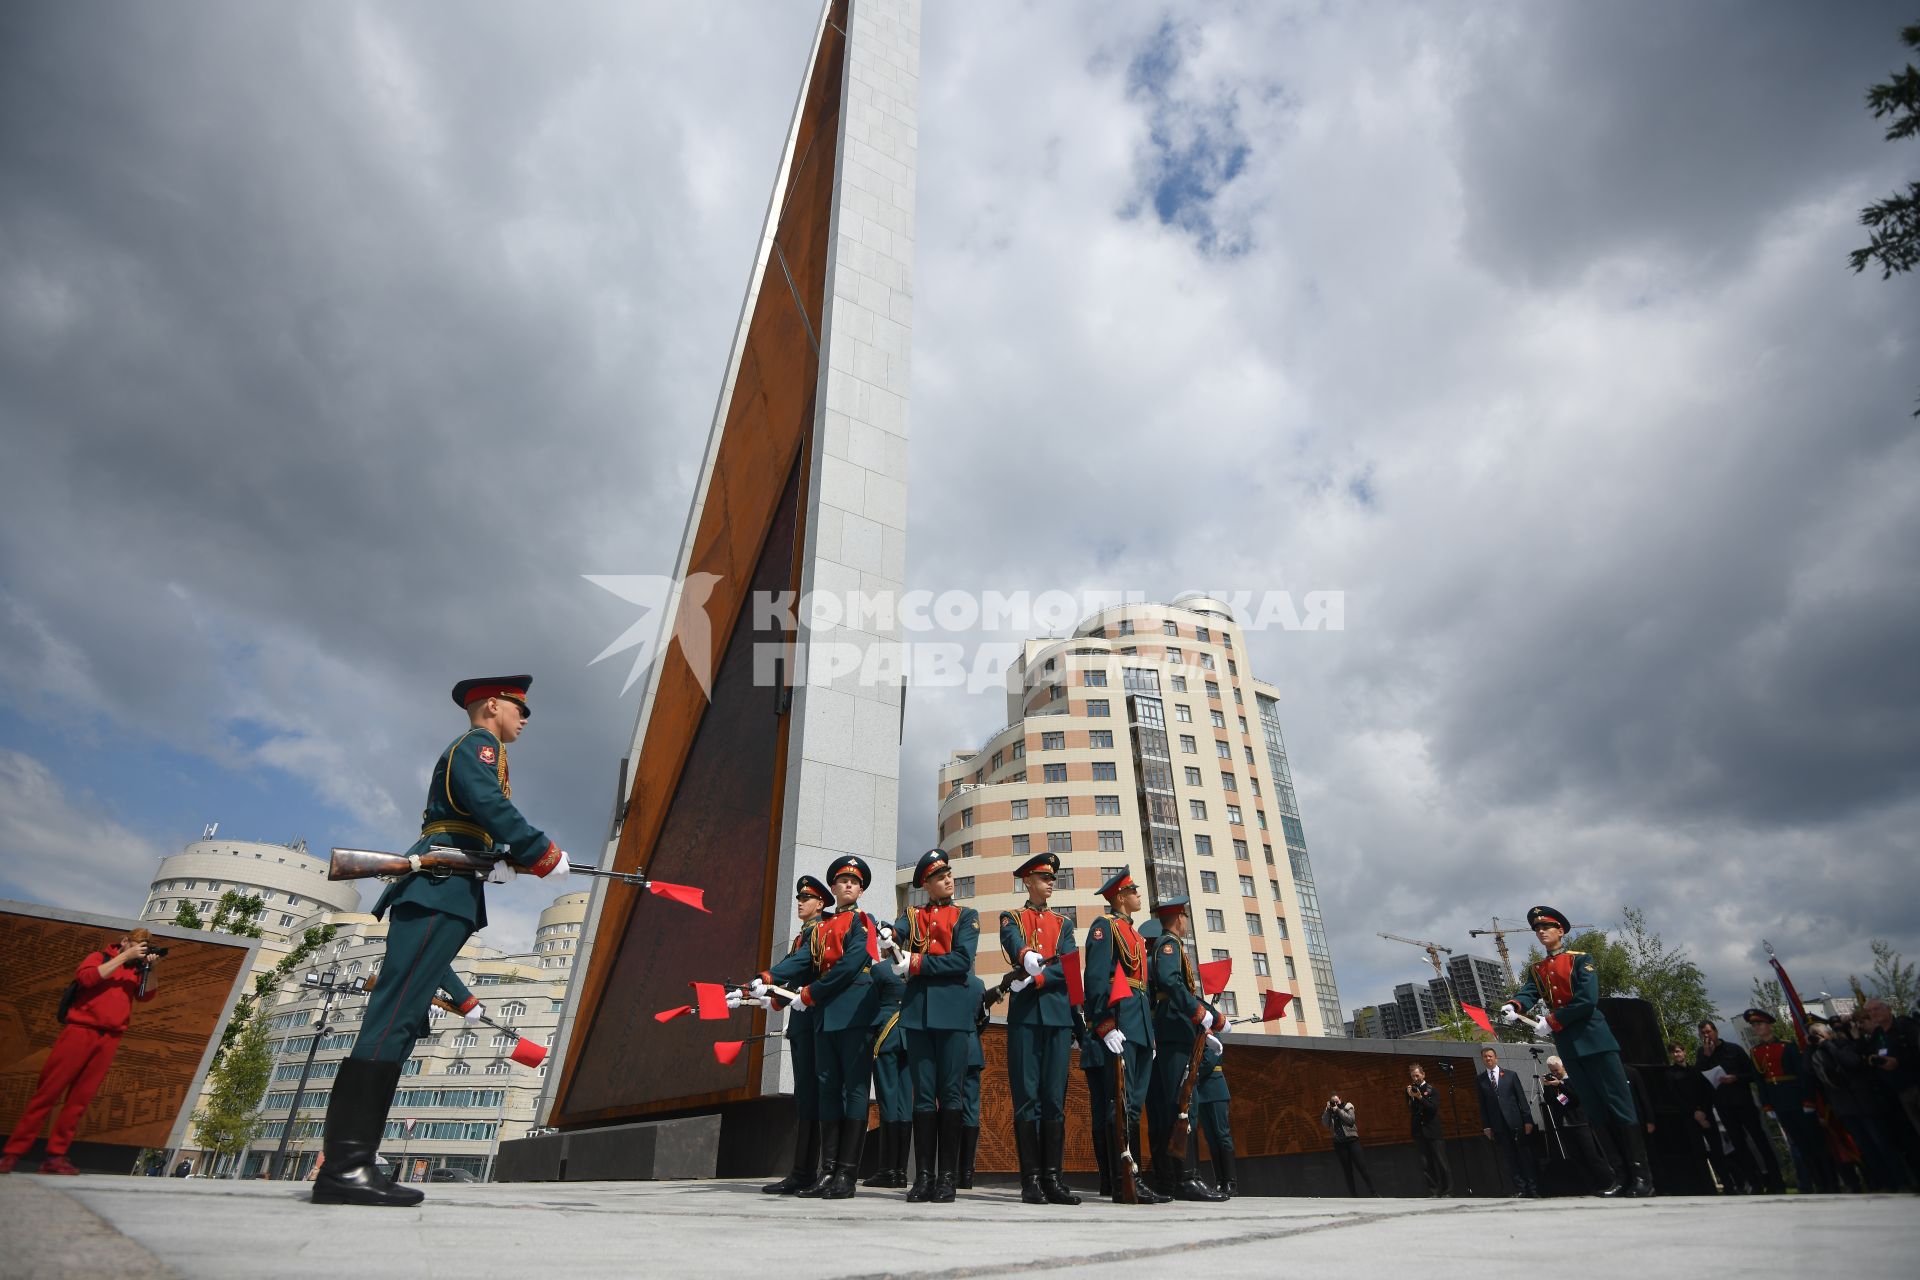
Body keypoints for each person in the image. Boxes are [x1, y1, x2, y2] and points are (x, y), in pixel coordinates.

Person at [310, 676, 570, 1208]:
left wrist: (503, 857)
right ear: (492, 705)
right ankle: (344, 1167)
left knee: (402, 1019)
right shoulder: (479, 745)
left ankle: (353, 1161)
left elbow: (471, 818)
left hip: (448, 885)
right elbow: (483, 799)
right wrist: (539, 850)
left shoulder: (486, 748)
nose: (525, 717)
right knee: (395, 1014)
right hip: (438, 889)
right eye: (519, 707)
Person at [1500, 904, 1651, 1196]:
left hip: (1595, 1040)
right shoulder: (1538, 969)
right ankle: (1619, 1177)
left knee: (1619, 1106)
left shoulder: (1581, 960)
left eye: (1547, 927)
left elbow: (1586, 1000)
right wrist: (1515, 1005)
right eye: (1537, 929)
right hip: (1569, 1045)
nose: (1542, 931)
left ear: (1561, 931)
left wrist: (1552, 1020)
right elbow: (1530, 991)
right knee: (1594, 1111)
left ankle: (1642, 1177)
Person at [756, 854, 880, 1199]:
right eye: (843, 881)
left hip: (853, 1010)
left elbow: (852, 962)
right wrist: (766, 977)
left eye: (854, 882)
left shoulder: (864, 921)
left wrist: (812, 992)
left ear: (861, 889)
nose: (849, 885)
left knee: (854, 1090)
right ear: (835, 888)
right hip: (826, 1014)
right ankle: (827, 1172)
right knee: (827, 1090)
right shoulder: (821, 928)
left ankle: (847, 1175)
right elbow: (800, 961)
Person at [2, 929, 162, 1175]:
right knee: (48, 1093)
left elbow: (146, 996)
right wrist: (123, 956)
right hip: (80, 1030)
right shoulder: (100, 957)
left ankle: (55, 1157)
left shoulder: (136, 969)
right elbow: (87, 979)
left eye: (143, 947)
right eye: (137, 946)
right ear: (124, 942)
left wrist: (152, 968)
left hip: (109, 1037)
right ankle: (12, 1154)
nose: (138, 951)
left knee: (79, 1100)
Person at [888, 848, 978, 1203]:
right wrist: (886, 936)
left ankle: (947, 1178)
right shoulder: (911, 916)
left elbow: (961, 961)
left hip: (952, 1013)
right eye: (941, 877)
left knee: (952, 1094)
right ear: (926, 883)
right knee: (923, 1095)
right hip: (919, 1013)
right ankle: (924, 1176)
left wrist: (915, 962)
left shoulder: (966, 916)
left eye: (949, 874)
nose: (949, 880)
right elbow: (892, 935)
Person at [998, 850, 1081, 1205]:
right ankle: (1030, 1180)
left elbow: (1069, 966)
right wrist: (1023, 958)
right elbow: (1013, 943)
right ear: (1028, 881)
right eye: (1045, 878)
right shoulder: (1012, 917)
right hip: (1026, 1020)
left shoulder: (1063, 925)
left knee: (1054, 1100)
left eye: (1052, 879)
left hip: (1057, 1018)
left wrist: (1038, 977)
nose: (1050, 883)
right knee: (1026, 1099)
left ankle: (1053, 1179)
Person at [1082, 871, 1169, 1204]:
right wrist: (1104, 1024)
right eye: (1133, 890)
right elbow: (1096, 979)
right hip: (1121, 1022)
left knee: (1133, 1105)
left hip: (1140, 1024)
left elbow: (1142, 986)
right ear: (1120, 897)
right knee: (1120, 1102)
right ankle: (1123, 1179)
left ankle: (1135, 1176)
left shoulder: (1132, 932)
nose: (1138, 895)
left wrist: (1150, 1034)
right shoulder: (1106, 928)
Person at [1144, 901, 1227, 1202]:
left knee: (1175, 1106)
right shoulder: (1169, 944)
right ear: (1179, 918)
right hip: (1175, 1029)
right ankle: (1186, 1178)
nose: (1187, 921)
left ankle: (1171, 1179)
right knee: (1183, 1105)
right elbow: (1170, 982)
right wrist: (1198, 1014)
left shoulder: (1170, 945)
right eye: (1186, 916)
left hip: (1178, 1029)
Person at [763, 876, 833, 1194]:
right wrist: (774, 994)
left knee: (817, 1093)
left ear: (820, 904)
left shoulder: (820, 931)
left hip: (817, 1016)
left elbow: (802, 966)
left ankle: (817, 1170)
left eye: (807, 898)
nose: (800, 903)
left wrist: (766, 977)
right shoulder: (801, 936)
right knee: (805, 1094)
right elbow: (795, 975)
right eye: (799, 898)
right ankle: (801, 1171)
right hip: (802, 1020)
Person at [1808, 1018, 1909, 1191]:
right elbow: (1816, 1077)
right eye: (1813, 1035)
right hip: (1845, 1107)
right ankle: (1883, 1183)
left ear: (1828, 1033)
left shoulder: (1842, 1044)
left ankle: (1901, 1181)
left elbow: (1852, 1063)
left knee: (1882, 1143)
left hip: (1862, 1101)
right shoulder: (1816, 1055)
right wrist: (1816, 1047)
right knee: (1865, 1148)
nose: (1817, 1038)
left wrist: (1829, 1046)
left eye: (1819, 1034)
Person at [1743, 1007, 1836, 1193]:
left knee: (1815, 1143)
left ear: (1769, 1025)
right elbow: (1761, 1081)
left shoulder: (1787, 1046)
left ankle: (1831, 1183)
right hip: (1780, 1103)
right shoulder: (1755, 1052)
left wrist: (1808, 1101)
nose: (1757, 1028)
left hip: (1797, 1100)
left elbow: (1802, 1075)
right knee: (1801, 1145)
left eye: (1760, 1024)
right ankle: (1817, 1183)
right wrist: (1767, 1104)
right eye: (1754, 1025)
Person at [1697, 1017, 1782, 1194]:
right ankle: (1755, 1182)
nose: (1706, 1036)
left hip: (1743, 1101)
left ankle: (1775, 1180)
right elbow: (1700, 1078)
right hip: (1723, 1106)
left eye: (1708, 1031)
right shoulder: (1702, 1054)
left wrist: (1736, 1078)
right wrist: (1706, 1056)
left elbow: (1752, 1073)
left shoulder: (1733, 1050)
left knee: (1759, 1141)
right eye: (1703, 1033)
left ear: (1715, 1031)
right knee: (1739, 1145)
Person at [863, 914, 911, 1191]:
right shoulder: (912, 968)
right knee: (905, 1103)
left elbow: (868, 1006)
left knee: (888, 1102)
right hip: (909, 1039)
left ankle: (886, 1170)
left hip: (886, 1037)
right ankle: (901, 1172)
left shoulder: (880, 971)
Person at [1663, 1040, 1736, 1192]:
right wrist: (1694, 1113)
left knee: (1717, 1152)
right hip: (1690, 1117)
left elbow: (1707, 1092)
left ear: (1684, 1052)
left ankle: (1729, 1185)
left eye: (1679, 1051)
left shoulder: (1695, 1071)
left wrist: (1703, 1111)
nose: (1677, 1054)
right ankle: (1708, 1188)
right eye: (1674, 1052)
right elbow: (1675, 1096)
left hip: (1705, 1114)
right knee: (1699, 1154)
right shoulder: (1670, 1074)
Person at [1539, 1054, 1618, 1193]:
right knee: (1576, 1157)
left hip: (1580, 1122)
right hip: (1564, 1124)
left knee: (1592, 1155)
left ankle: (1608, 1182)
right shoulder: (1553, 1084)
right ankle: (1590, 1186)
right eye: (1552, 1071)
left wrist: (1561, 1085)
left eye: (1557, 1070)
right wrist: (1547, 1086)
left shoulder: (1571, 1080)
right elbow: (1551, 1101)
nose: (1555, 1073)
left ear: (1563, 1067)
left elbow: (1575, 1099)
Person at [1476, 1046, 1538, 1197]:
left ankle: (1533, 1189)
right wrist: (1486, 1126)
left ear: (1496, 1058)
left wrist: (1527, 1120)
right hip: (1498, 1125)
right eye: (1485, 1057)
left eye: (1490, 1056)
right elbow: (1482, 1105)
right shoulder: (1481, 1079)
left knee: (1524, 1156)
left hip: (1516, 1123)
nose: (1488, 1059)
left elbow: (1521, 1099)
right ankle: (1520, 1189)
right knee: (1510, 1159)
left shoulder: (1510, 1075)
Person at [1194, 998, 1236, 1198]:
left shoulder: (1211, 1034)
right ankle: (1219, 1180)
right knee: (1211, 1138)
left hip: (1215, 1089)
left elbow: (1209, 1060)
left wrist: (1191, 1073)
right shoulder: (1198, 1033)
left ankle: (1231, 1181)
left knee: (1222, 1135)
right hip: (1202, 1092)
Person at [1406, 1064, 1452, 1196]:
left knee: (1442, 1162)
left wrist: (1420, 1097)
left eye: (1417, 1075)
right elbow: (1412, 1111)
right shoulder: (1411, 1091)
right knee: (1426, 1164)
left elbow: (1432, 1108)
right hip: (1419, 1132)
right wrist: (1412, 1097)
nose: (1415, 1078)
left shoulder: (1432, 1090)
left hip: (1433, 1131)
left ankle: (1448, 1190)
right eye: (1413, 1076)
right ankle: (1434, 1191)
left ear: (1423, 1074)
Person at [959, 974, 987, 1190]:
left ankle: (950, 1168)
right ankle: (966, 1173)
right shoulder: (978, 984)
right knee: (971, 1110)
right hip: (973, 1048)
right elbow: (982, 1019)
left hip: (952, 1049)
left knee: (951, 1106)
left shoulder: (947, 979)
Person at [1321, 1094, 1375, 1196]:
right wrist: (1327, 1110)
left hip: (1352, 1141)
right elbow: (1324, 1123)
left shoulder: (1348, 1106)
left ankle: (1374, 1192)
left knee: (1361, 1167)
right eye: (1333, 1102)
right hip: (1339, 1143)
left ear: (1340, 1099)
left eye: (1337, 1101)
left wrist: (1338, 1110)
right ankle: (1354, 1195)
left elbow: (1351, 1120)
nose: (1335, 1104)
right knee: (1347, 1170)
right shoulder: (1330, 1111)